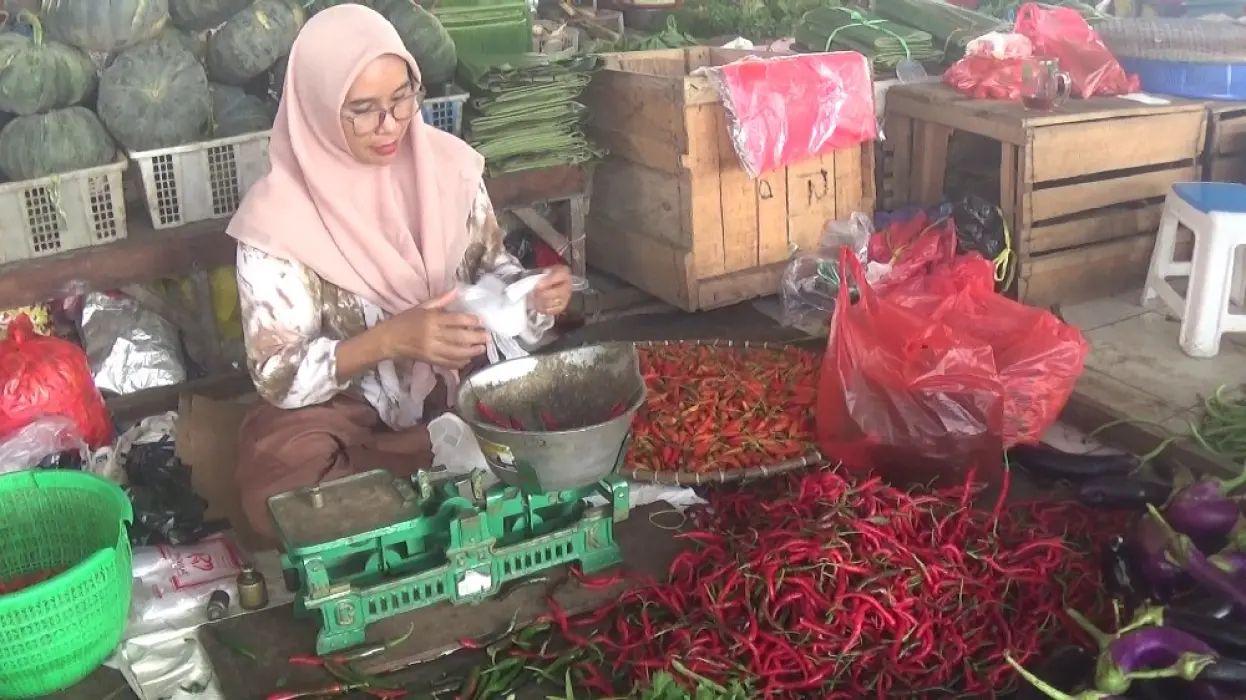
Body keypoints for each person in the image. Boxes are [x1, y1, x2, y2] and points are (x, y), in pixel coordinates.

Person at [226, 4, 572, 541]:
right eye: (362, 110)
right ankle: (451, 485)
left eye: (401, 99)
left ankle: (411, 502)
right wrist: (389, 340)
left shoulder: (449, 168)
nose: (390, 127)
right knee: (277, 480)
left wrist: (530, 295)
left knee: (557, 407)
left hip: (452, 388)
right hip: (347, 415)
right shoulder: (278, 221)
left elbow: (490, 269)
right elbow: (280, 373)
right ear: (316, 110)